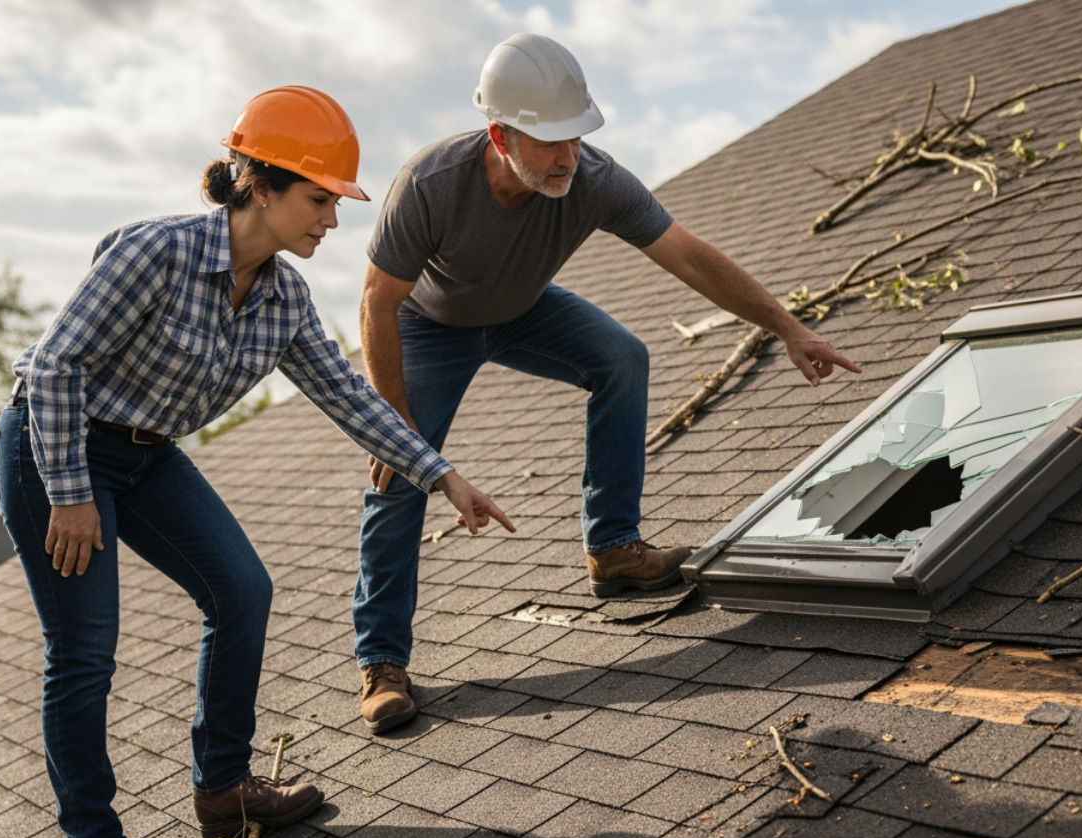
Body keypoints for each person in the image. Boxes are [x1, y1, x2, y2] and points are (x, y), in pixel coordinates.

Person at [0, 86, 513, 838]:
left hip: (147, 454)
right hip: (53, 446)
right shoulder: (155, 253)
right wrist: (69, 493)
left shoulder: (283, 301)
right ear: (258, 187)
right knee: (85, 649)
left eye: (337, 205)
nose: (331, 224)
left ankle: (224, 787)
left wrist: (442, 475)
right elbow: (54, 367)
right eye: (319, 200)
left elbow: (349, 395)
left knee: (242, 590)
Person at [351, 33, 859, 734]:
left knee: (621, 356)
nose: (569, 157)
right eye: (551, 142)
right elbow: (376, 303)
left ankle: (613, 550)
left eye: (577, 138)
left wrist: (788, 326)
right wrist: (393, 425)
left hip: (523, 308)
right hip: (426, 326)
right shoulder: (431, 185)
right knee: (397, 469)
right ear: (501, 134)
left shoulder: (592, 179)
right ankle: (382, 661)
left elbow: (690, 256)